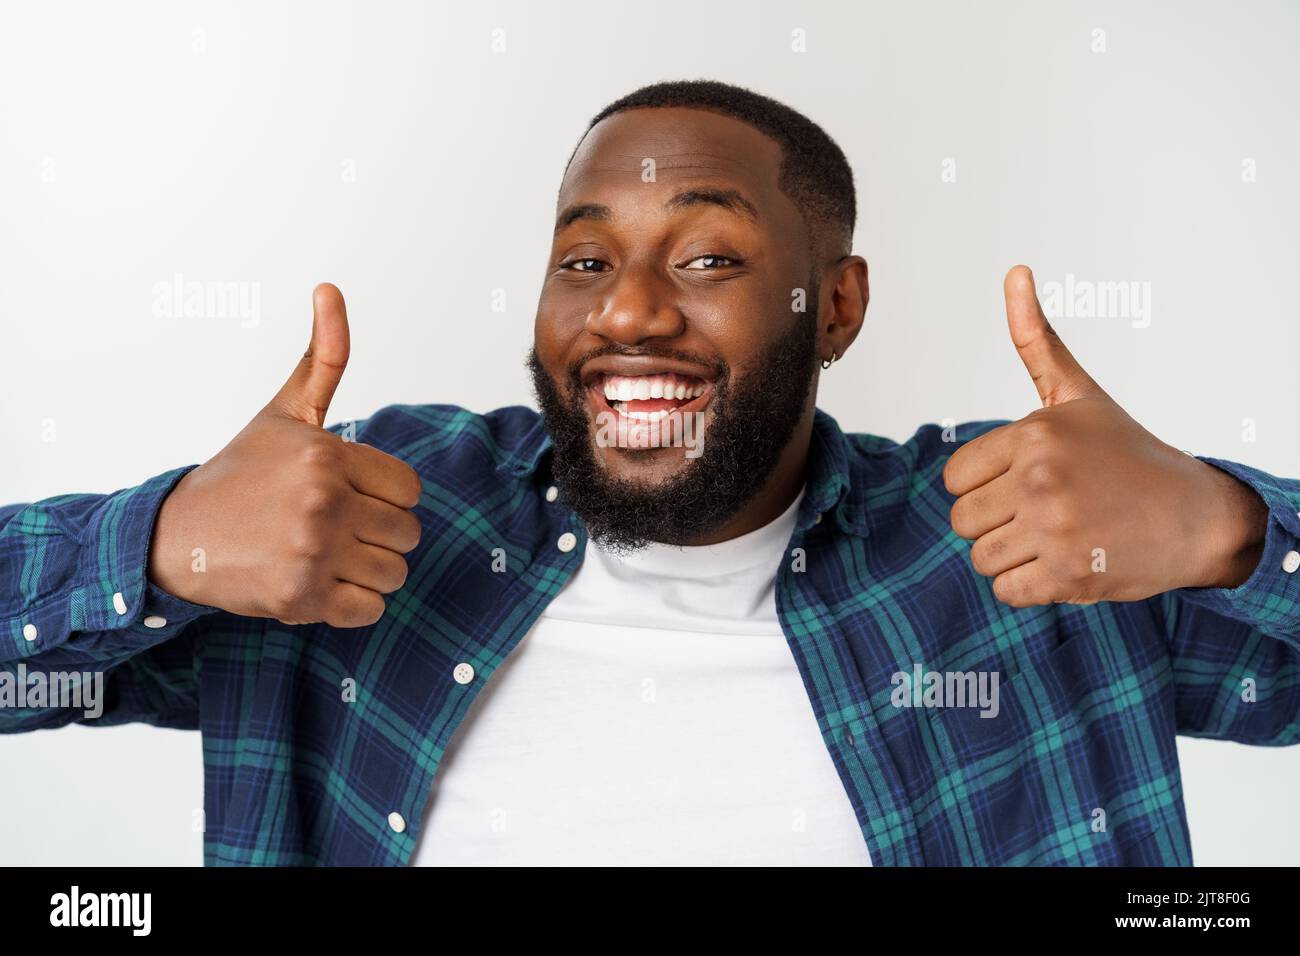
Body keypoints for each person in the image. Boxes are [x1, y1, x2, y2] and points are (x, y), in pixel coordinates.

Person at [3, 80, 1298, 866]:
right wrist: (160, 540)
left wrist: (1235, 530)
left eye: (707, 259)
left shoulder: (1016, 546)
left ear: (834, 308)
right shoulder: (377, 517)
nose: (625, 312)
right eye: (583, 260)